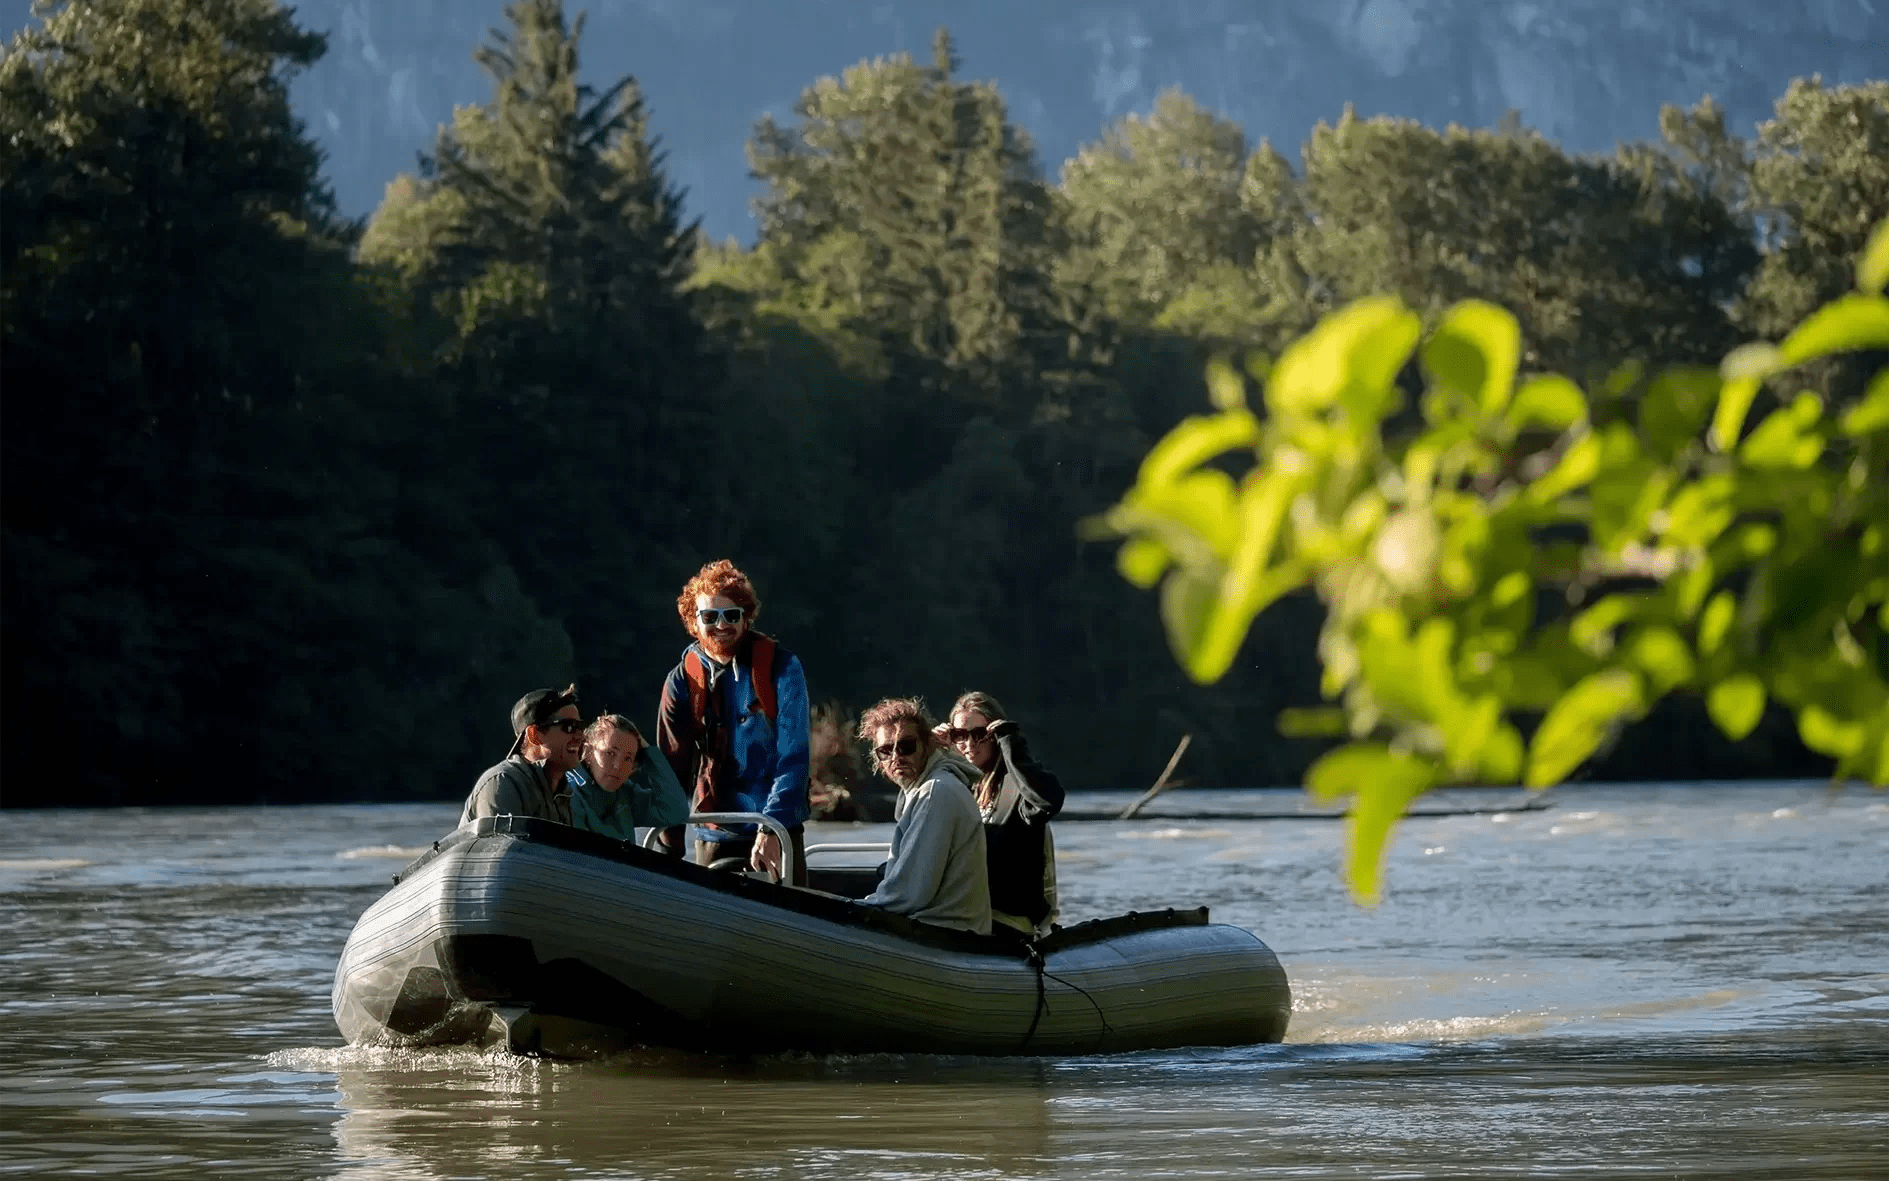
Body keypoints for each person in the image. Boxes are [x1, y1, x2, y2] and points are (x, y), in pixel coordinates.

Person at [657, 560, 812, 883]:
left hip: (777, 828)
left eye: (731, 615)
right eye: (709, 617)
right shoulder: (680, 681)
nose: (721, 625)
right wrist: (667, 848)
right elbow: (671, 768)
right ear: (693, 622)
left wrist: (773, 827)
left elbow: (794, 758)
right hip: (713, 830)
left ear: (746, 617)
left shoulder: (783, 669)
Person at [857, 697, 991, 935]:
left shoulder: (935, 792)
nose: (896, 757)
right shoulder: (923, 789)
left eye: (906, 746)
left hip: (949, 934)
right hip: (943, 928)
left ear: (927, 746)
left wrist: (850, 909)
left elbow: (909, 892)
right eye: (885, 750)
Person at [945, 691, 1064, 939]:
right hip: (962, 916)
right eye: (960, 735)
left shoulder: (1018, 787)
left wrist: (1010, 742)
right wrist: (934, 755)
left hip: (1006, 923)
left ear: (995, 735)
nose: (969, 744)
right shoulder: (958, 785)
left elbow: (1049, 800)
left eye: (979, 734)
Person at [461, 685, 585, 826]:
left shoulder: (564, 793)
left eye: (580, 727)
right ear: (534, 735)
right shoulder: (503, 783)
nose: (581, 736)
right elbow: (501, 841)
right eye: (569, 727)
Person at [566, 713, 691, 845]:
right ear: (589, 752)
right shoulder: (568, 793)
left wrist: (648, 753)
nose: (618, 766)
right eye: (610, 753)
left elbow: (677, 811)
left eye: (628, 758)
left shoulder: (626, 795)